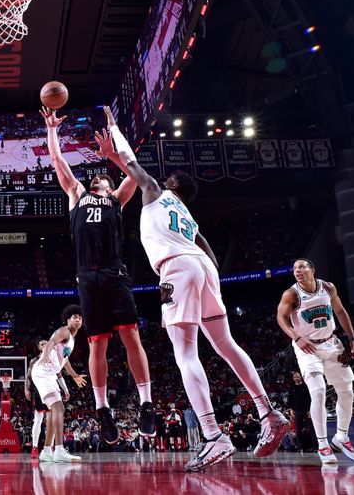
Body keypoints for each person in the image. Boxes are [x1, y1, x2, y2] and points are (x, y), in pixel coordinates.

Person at [95, 107, 290, 471]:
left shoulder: (156, 193)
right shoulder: (188, 215)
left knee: (186, 353)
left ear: (172, 187)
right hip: (203, 268)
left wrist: (114, 135)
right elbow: (206, 248)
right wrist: (211, 280)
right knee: (226, 345)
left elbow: (133, 167)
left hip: (177, 268)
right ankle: (268, 413)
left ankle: (214, 436)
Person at [40, 106, 155, 445]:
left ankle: (147, 403)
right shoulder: (76, 195)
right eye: (96, 178)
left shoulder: (117, 199)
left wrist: (113, 149)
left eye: (103, 178)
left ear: (109, 185)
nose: (97, 180)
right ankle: (102, 409)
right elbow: (58, 162)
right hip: (87, 278)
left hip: (114, 273)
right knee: (98, 344)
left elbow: (135, 174)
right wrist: (51, 130)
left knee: (131, 338)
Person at [276, 259, 354, 464]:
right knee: (318, 390)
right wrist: (296, 337)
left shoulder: (328, 287)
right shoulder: (291, 294)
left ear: (312, 270)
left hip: (331, 344)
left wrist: (352, 338)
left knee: (347, 392)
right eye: (295, 268)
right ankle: (323, 444)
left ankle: (341, 436)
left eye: (302, 267)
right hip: (307, 348)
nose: (297, 270)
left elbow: (340, 312)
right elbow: (281, 317)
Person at [31, 305, 85, 462]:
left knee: (54, 411)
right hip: (43, 371)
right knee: (58, 407)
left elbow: (65, 361)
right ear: (67, 319)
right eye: (74, 316)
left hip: (50, 374)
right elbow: (51, 341)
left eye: (80, 317)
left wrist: (74, 376)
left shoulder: (72, 339)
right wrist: (46, 354)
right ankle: (59, 450)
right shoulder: (64, 331)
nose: (77, 319)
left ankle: (47, 451)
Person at [287, 371, 312, 452]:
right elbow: (289, 400)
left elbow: (311, 398)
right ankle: (299, 448)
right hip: (297, 412)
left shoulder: (306, 386)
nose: (296, 378)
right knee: (298, 430)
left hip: (307, 411)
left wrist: (311, 409)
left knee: (311, 429)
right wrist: (291, 409)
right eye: (295, 377)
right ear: (293, 379)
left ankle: (315, 447)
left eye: (298, 376)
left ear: (300, 377)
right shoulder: (292, 388)